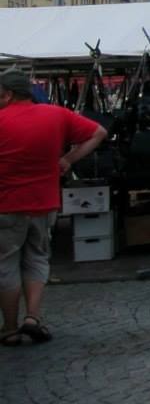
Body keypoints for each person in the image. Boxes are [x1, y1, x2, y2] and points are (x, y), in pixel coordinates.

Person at [0, 68, 108, 345]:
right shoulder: (55, 114)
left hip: (6, 204)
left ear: (8, 93)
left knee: (7, 264)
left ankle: (10, 329)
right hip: (44, 201)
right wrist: (69, 160)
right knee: (36, 258)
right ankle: (33, 317)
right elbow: (98, 132)